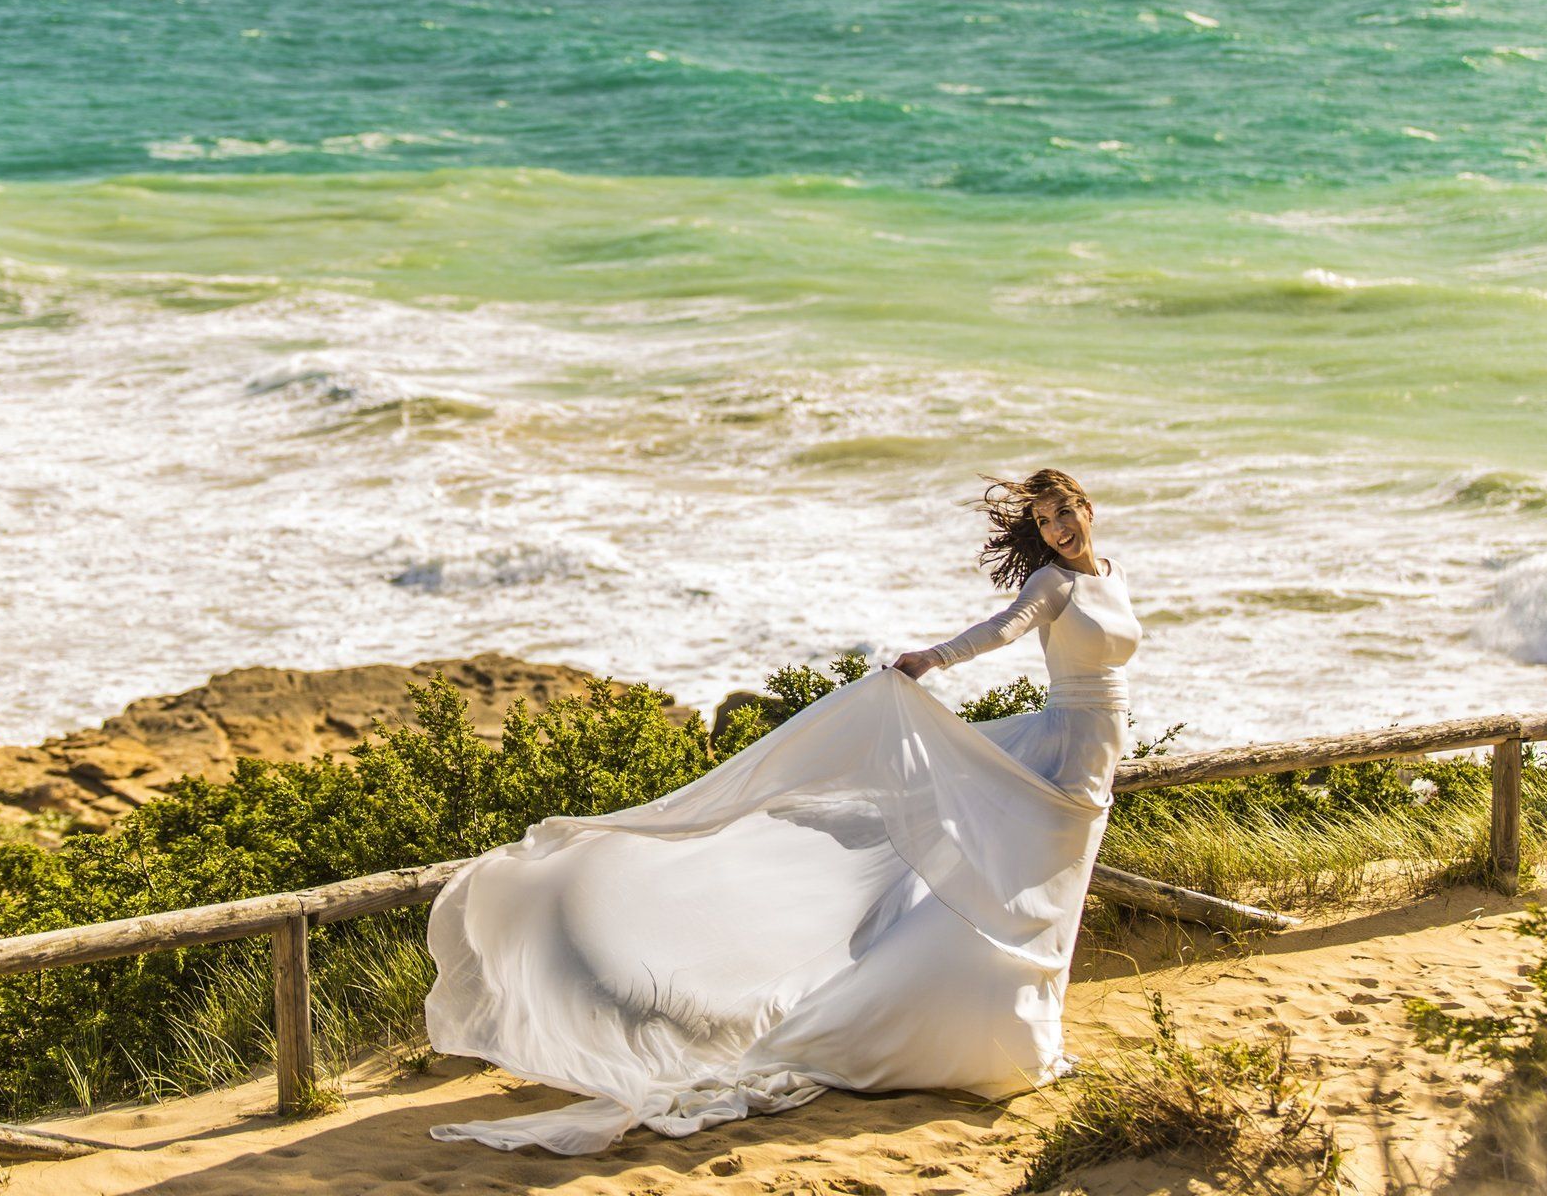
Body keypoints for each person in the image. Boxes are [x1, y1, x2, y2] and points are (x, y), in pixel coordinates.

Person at [424, 468, 1142, 1155]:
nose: (1055, 531)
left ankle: (1022, 1035)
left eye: (1062, 514)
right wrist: (933, 659)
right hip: (1061, 754)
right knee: (1022, 893)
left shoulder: (1110, 573)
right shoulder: (1050, 584)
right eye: (1043, 523)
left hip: (1094, 753)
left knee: (1048, 897)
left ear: (1086, 505)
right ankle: (981, 1037)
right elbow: (1004, 628)